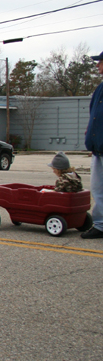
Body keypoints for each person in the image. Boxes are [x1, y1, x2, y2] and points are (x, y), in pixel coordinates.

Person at [82, 50, 103, 239]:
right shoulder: (100, 89)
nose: (98, 65)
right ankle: (100, 225)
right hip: (98, 150)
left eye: (100, 62)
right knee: (98, 189)